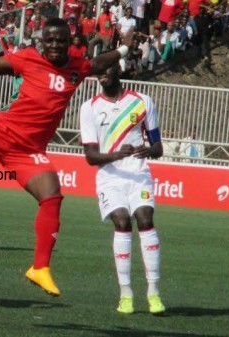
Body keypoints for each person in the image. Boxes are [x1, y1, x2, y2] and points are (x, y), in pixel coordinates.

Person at [0, 11, 129, 296]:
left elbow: (99, 63)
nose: (55, 45)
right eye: (50, 41)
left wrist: (124, 49)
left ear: (69, 43)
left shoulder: (77, 67)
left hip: (27, 152)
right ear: (42, 42)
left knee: (52, 195)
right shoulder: (28, 58)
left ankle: (40, 268)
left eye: (60, 41)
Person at [79, 62, 166, 315]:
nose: (100, 74)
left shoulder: (142, 101)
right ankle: (126, 293)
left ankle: (153, 292)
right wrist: (117, 155)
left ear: (119, 70)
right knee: (121, 222)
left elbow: (158, 148)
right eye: (98, 70)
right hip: (109, 177)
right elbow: (91, 157)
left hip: (138, 173)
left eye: (106, 69)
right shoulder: (89, 107)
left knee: (145, 218)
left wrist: (147, 150)